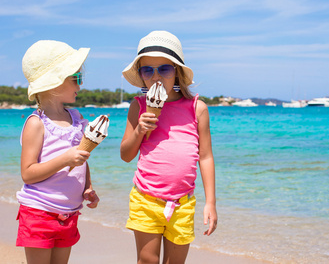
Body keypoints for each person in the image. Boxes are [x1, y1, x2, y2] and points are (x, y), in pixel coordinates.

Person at [120, 30, 217, 264]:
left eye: (164, 69)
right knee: (147, 260)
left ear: (177, 72)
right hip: (146, 199)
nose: (156, 77)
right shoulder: (139, 106)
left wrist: (211, 202)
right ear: (141, 75)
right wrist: (139, 130)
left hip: (182, 203)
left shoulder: (196, 108)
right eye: (147, 70)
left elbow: (205, 157)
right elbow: (126, 155)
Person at [16, 40, 100, 264]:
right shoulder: (37, 124)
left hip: (69, 212)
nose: (80, 86)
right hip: (39, 212)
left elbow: (81, 158)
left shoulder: (76, 118)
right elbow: (28, 173)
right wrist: (64, 159)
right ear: (55, 82)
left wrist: (87, 186)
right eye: (77, 79)